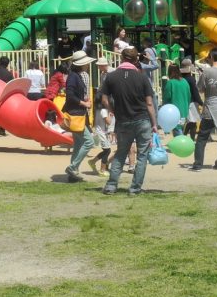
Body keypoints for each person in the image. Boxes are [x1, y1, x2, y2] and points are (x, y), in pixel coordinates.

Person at [98, 46, 158, 196]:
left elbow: (104, 99)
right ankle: (135, 188)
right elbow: (149, 103)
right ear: (136, 59)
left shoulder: (111, 77)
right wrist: (154, 124)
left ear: (122, 58)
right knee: (142, 155)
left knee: (120, 153)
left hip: (123, 120)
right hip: (142, 119)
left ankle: (111, 186)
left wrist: (112, 110)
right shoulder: (142, 77)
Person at [192, 47, 217, 171]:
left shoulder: (206, 72)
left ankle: (198, 164)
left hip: (210, 107)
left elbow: (200, 89)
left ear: (212, 57)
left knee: (202, 137)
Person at [63, 51, 96, 182]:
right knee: (89, 142)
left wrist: (84, 99)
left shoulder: (75, 75)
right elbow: (70, 95)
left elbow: (73, 94)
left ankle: (73, 174)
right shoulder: (74, 76)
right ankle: (72, 167)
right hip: (76, 114)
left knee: (78, 144)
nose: (87, 65)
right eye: (86, 63)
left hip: (78, 114)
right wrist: (84, 103)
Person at [162, 64, 191, 135]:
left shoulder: (170, 83)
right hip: (184, 112)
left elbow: (166, 99)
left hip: (174, 113)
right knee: (181, 130)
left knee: (178, 133)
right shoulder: (185, 82)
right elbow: (189, 97)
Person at [179, 58, 202, 137]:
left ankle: (183, 136)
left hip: (183, 102)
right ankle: (191, 139)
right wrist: (200, 102)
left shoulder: (180, 79)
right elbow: (195, 93)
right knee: (193, 123)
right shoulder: (191, 79)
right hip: (192, 103)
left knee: (189, 122)